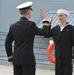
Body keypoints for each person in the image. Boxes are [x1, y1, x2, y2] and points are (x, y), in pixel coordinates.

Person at [5, 1, 50, 75]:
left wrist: (10, 58)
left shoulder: (13, 26)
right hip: (28, 61)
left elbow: (7, 43)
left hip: (17, 61)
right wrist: (44, 19)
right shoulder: (31, 25)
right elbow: (45, 33)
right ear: (29, 12)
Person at [41, 9, 74, 75]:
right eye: (58, 16)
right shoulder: (55, 28)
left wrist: (73, 57)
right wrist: (49, 24)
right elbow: (46, 34)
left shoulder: (71, 29)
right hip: (58, 57)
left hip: (67, 57)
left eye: (61, 16)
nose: (59, 17)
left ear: (66, 16)